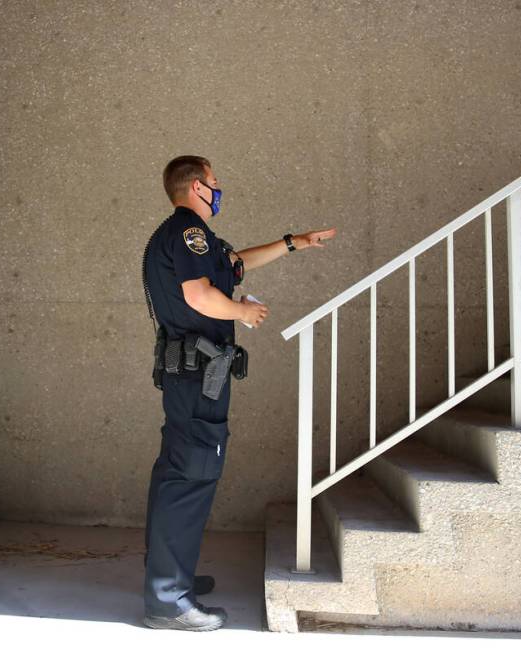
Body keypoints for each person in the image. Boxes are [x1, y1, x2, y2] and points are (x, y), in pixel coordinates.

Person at [140, 155, 336, 631]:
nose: (219, 186)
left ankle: (169, 576)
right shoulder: (188, 232)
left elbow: (235, 263)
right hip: (197, 374)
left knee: (178, 472)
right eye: (214, 181)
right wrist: (241, 313)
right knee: (192, 473)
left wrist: (293, 244)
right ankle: (168, 599)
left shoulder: (197, 240)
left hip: (194, 374)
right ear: (194, 187)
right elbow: (199, 296)